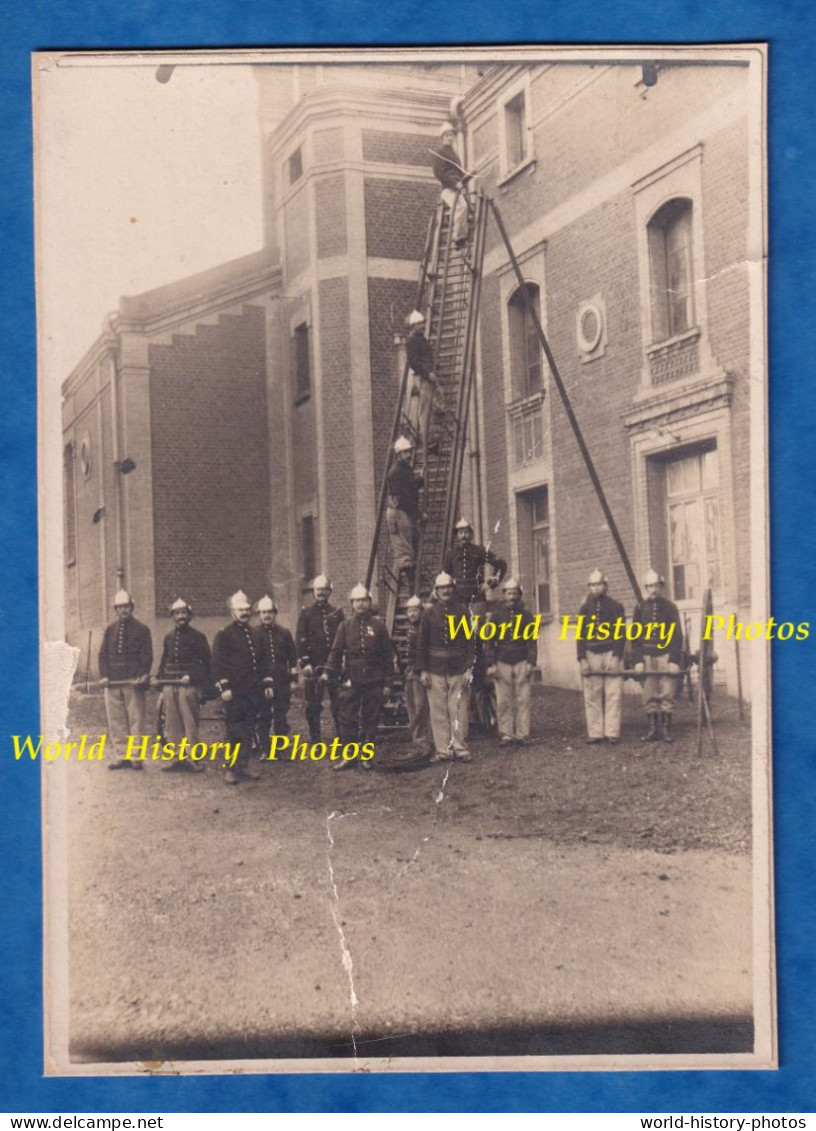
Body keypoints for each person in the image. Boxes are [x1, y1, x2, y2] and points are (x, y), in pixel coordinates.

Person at [323, 584, 392, 770]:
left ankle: (366, 757)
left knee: (371, 718)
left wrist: (387, 682)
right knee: (347, 718)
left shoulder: (379, 625)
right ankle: (349, 756)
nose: (361, 604)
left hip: (374, 678)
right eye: (357, 601)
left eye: (364, 600)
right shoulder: (345, 626)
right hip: (351, 679)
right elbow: (336, 652)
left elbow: (387, 655)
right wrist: (327, 672)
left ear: (369, 602)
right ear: (352, 604)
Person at [415, 572, 476, 763]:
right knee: (438, 711)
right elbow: (421, 644)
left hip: (458, 668)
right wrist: (423, 670)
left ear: (453, 589)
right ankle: (443, 750)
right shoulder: (428, 613)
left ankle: (460, 748)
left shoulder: (463, 611)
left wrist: (468, 668)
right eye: (442, 588)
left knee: (458, 709)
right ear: (436, 591)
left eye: (449, 587)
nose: (446, 591)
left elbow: (470, 641)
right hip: (435, 669)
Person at [211, 590, 271, 784]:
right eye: (240, 610)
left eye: (246, 609)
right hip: (234, 692)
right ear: (233, 612)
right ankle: (231, 768)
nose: (244, 613)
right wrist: (224, 688)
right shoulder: (224, 635)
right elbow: (218, 664)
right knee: (234, 730)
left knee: (248, 729)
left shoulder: (255, 633)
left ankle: (243, 766)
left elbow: (263, 661)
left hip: (252, 690)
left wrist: (267, 683)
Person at [155, 597, 213, 772]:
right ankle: (177, 757)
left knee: (189, 722)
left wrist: (193, 677)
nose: (181, 616)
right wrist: (159, 680)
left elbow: (207, 664)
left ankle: (193, 759)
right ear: (172, 616)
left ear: (189, 615)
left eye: (184, 613)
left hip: (189, 687)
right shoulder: (168, 638)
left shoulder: (199, 637)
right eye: (177, 613)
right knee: (172, 722)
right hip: (170, 684)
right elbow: (164, 661)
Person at [98, 588, 153, 771]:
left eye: (126, 606)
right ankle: (122, 755)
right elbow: (103, 655)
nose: (123, 610)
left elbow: (146, 655)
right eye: (119, 607)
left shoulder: (142, 630)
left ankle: (136, 756)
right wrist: (104, 676)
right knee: (116, 720)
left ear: (132, 607)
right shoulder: (110, 630)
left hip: (133, 682)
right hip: (113, 682)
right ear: (115, 609)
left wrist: (143, 674)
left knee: (135, 719)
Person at [630, 569, 684, 743]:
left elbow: (677, 635)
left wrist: (674, 660)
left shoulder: (670, 607)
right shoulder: (639, 608)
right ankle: (654, 729)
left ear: (661, 587)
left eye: (656, 585)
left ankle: (667, 729)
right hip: (647, 656)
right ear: (645, 588)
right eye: (649, 586)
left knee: (667, 691)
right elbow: (635, 637)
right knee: (649, 693)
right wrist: (637, 660)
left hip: (666, 654)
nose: (653, 589)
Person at [485, 578, 538, 746]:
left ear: (519, 595)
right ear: (504, 594)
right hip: (502, 661)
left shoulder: (527, 616)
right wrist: (491, 663)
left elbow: (532, 641)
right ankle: (506, 734)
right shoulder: (496, 615)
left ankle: (523, 734)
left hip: (522, 660)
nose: (512, 596)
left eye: (515, 593)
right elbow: (490, 641)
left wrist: (531, 662)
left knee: (523, 699)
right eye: (509, 593)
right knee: (503, 700)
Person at [576, 569, 626, 746]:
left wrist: (616, 657)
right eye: (593, 585)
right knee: (592, 694)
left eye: (599, 584)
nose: (596, 588)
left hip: (611, 653)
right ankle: (596, 732)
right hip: (591, 654)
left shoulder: (616, 606)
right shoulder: (584, 609)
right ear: (589, 587)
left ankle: (612, 732)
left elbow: (621, 634)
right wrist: (582, 658)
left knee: (613, 693)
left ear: (605, 586)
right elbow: (580, 635)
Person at [296, 575, 345, 742]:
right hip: (314, 666)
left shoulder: (337, 613)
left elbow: (343, 637)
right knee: (313, 705)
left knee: (338, 703)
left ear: (330, 591)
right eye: (318, 590)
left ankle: (341, 737)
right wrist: (305, 663)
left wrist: (342, 662)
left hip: (334, 666)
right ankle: (316, 739)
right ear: (314, 592)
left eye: (324, 590)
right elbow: (301, 639)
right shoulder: (306, 613)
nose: (321, 593)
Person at [405, 309, 443, 467]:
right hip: (424, 378)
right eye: (420, 323)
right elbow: (414, 362)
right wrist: (427, 373)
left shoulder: (421, 339)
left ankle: (433, 439)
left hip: (429, 376)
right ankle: (428, 441)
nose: (422, 325)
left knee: (437, 405)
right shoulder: (412, 340)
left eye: (423, 323)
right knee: (425, 411)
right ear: (413, 326)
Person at [257, 595, 298, 739]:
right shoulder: (254, 633)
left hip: (282, 680)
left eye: (270, 612)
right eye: (263, 612)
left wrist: (293, 680)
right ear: (259, 614)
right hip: (262, 681)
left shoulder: (284, 633)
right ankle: (265, 747)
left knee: (281, 713)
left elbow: (292, 658)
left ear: (275, 613)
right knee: (264, 714)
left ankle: (280, 744)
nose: (267, 615)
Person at [442, 517, 507, 609]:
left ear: (471, 534)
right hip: (457, 597)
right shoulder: (451, 553)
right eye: (460, 532)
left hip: (477, 596)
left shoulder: (480, 551)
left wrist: (490, 584)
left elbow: (501, 565)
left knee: (477, 622)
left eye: (466, 532)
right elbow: (444, 575)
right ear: (457, 535)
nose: (464, 535)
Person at [386, 436, 423, 590]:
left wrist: (419, 480)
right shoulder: (396, 472)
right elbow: (405, 498)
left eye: (409, 451)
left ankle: (413, 581)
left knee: (411, 542)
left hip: (402, 511)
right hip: (398, 512)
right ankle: (412, 586)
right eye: (405, 452)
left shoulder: (403, 469)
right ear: (398, 454)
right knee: (404, 550)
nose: (409, 455)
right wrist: (420, 515)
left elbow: (410, 487)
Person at [432, 121, 470, 247]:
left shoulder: (454, 154)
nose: (449, 138)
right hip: (448, 189)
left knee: (464, 206)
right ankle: (458, 237)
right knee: (461, 207)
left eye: (451, 135)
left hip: (457, 188)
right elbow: (439, 173)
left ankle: (461, 236)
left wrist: (464, 179)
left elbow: (458, 172)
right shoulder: (440, 152)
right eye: (447, 135)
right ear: (442, 138)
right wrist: (454, 184)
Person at [404, 594, 433, 757]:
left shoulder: (424, 628)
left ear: (421, 611)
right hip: (410, 672)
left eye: (415, 610)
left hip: (420, 673)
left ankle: (422, 739)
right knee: (412, 706)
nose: (412, 614)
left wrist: (421, 669)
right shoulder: (411, 628)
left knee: (421, 706)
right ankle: (416, 738)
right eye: (409, 611)